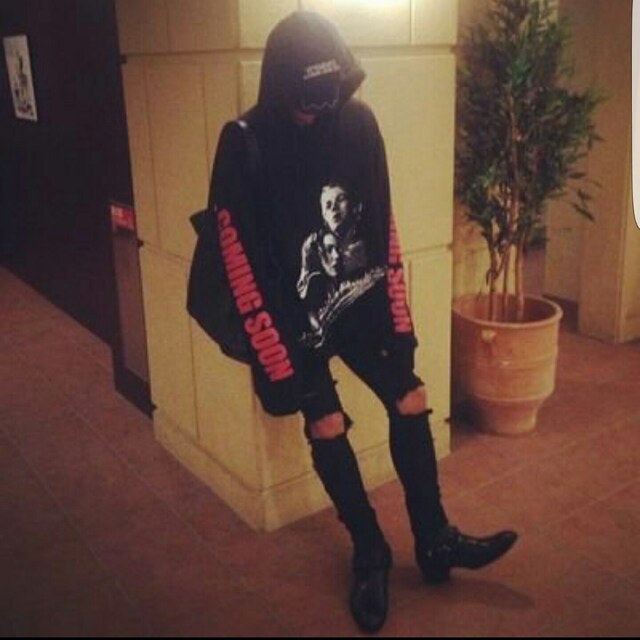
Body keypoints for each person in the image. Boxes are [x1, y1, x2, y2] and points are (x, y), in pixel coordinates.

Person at [208, 11, 518, 633]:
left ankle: (435, 539)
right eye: (303, 101)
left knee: (411, 397)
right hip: (291, 317)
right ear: (279, 85)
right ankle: (370, 552)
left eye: (326, 98)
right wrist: (275, 357)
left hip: (361, 300)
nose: (314, 113)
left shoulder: (357, 123)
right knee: (325, 422)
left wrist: (399, 323)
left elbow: (382, 224)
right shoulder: (245, 141)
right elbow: (234, 251)